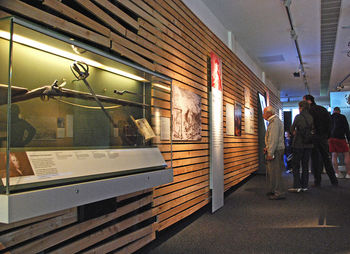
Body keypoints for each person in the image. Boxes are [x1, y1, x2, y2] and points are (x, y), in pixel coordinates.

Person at [303, 95, 338, 186]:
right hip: (323, 137)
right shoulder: (322, 109)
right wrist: (327, 135)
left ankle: (317, 181)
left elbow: (310, 124)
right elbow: (329, 123)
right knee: (326, 159)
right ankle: (334, 180)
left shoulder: (310, 111)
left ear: (308, 101)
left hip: (314, 137)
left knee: (315, 160)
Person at [288, 101, 314, 192]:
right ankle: (305, 186)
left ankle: (297, 186)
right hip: (309, 144)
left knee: (295, 165)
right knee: (305, 165)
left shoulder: (298, 117)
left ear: (301, 107)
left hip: (298, 144)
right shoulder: (311, 117)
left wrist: (296, 133)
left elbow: (292, 129)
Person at [263, 106, 286, 200]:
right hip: (275, 149)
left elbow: (273, 139)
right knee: (273, 172)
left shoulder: (274, 122)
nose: (263, 115)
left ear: (269, 113)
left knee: (275, 172)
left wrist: (270, 153)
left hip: (276, 151)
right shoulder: (275, 121)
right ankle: (273, 190)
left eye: (264, 113)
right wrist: (268, 148)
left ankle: (279, 193)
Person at [329, 107, 350, 179]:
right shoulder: (342, 117)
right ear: (339, 111)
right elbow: (347, 128)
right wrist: (348, 139)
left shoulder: (330, 117)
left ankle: (337, 173)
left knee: (334, 155)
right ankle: (348, 174)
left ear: (333, 111)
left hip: (332, 138)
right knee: (346, 154)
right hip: (341, 138)